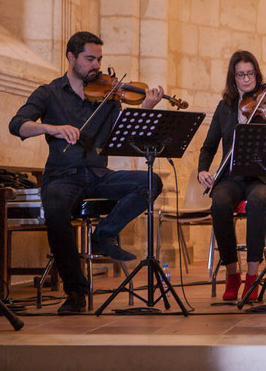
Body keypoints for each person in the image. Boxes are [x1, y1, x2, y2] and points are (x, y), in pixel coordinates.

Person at [9, 31, 165, 314]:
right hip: (61, 176)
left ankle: (102, 235)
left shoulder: (108, 97)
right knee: (56, 212)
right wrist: (52, 128)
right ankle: (76, 291)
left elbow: (125, 137)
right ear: (71, 57)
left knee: (151, 182)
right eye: (89, 59)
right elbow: (17, 124)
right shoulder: (50, 93)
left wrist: (145, 108)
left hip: (97, 176)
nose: (96, 66)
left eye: (99, 60)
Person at [198, 50, 266, 302]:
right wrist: (202, 170)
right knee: (218, 202)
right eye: (240, 74)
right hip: (232, 177)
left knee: (255, 202)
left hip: (262, 178)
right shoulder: (225, 108)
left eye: (250, 73)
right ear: (233, 77)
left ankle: (253, 275)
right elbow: (209, 146)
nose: (246, 79)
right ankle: (232, 274)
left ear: (256, 74)